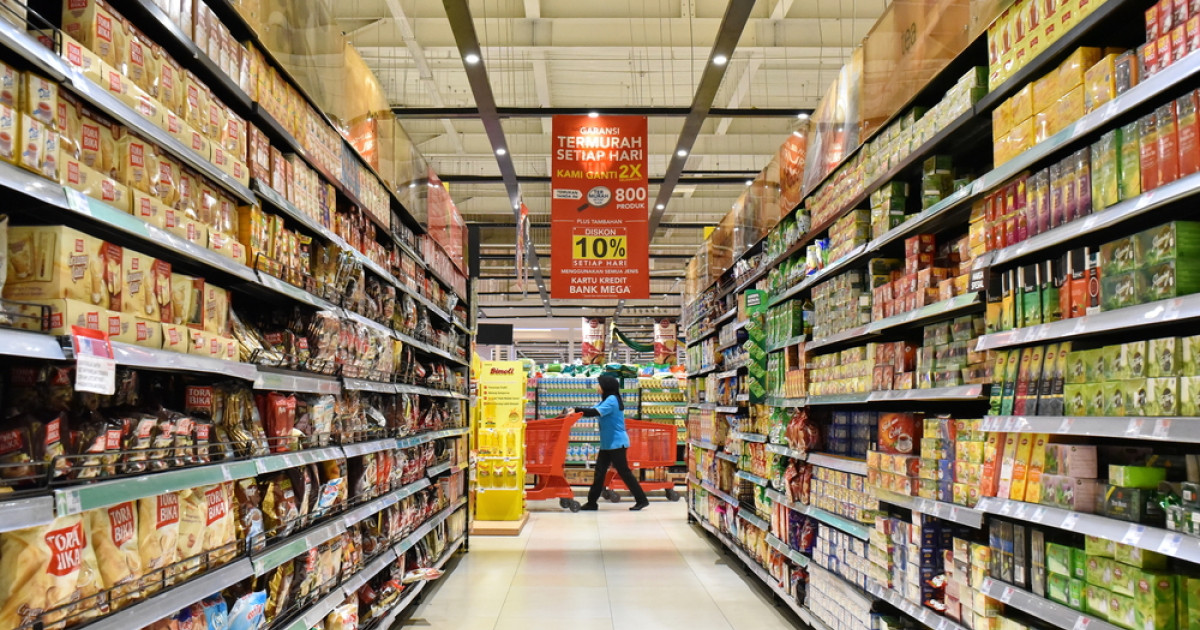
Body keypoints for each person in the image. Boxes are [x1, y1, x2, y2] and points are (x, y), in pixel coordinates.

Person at [567, 374, 649, 511]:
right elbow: (592, 409)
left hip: (616, 443)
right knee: (599, 472)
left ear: (606, 386)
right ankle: (592, 502)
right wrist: (577, 412)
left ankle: (642, 499)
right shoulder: (606, 399)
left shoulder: (611, 400)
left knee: (624, 472)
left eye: (599, 384)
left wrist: (577, 409)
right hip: (608, 443)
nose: (597, 387)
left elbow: (595, 412)